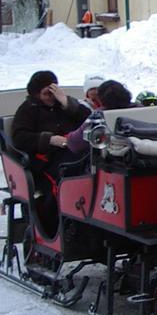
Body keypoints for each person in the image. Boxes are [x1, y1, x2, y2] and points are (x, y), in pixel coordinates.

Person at [11, 70, 91, 232]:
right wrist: (50, 140)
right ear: (36, 93)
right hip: (46, 160)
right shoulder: (28, 109)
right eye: (46, 93)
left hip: (72, 152)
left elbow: (89, 121)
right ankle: (56, 226)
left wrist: (68, 104)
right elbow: (19, 137)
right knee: (62, 179)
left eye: (53, 92)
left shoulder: (62, 106)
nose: (51, 97)